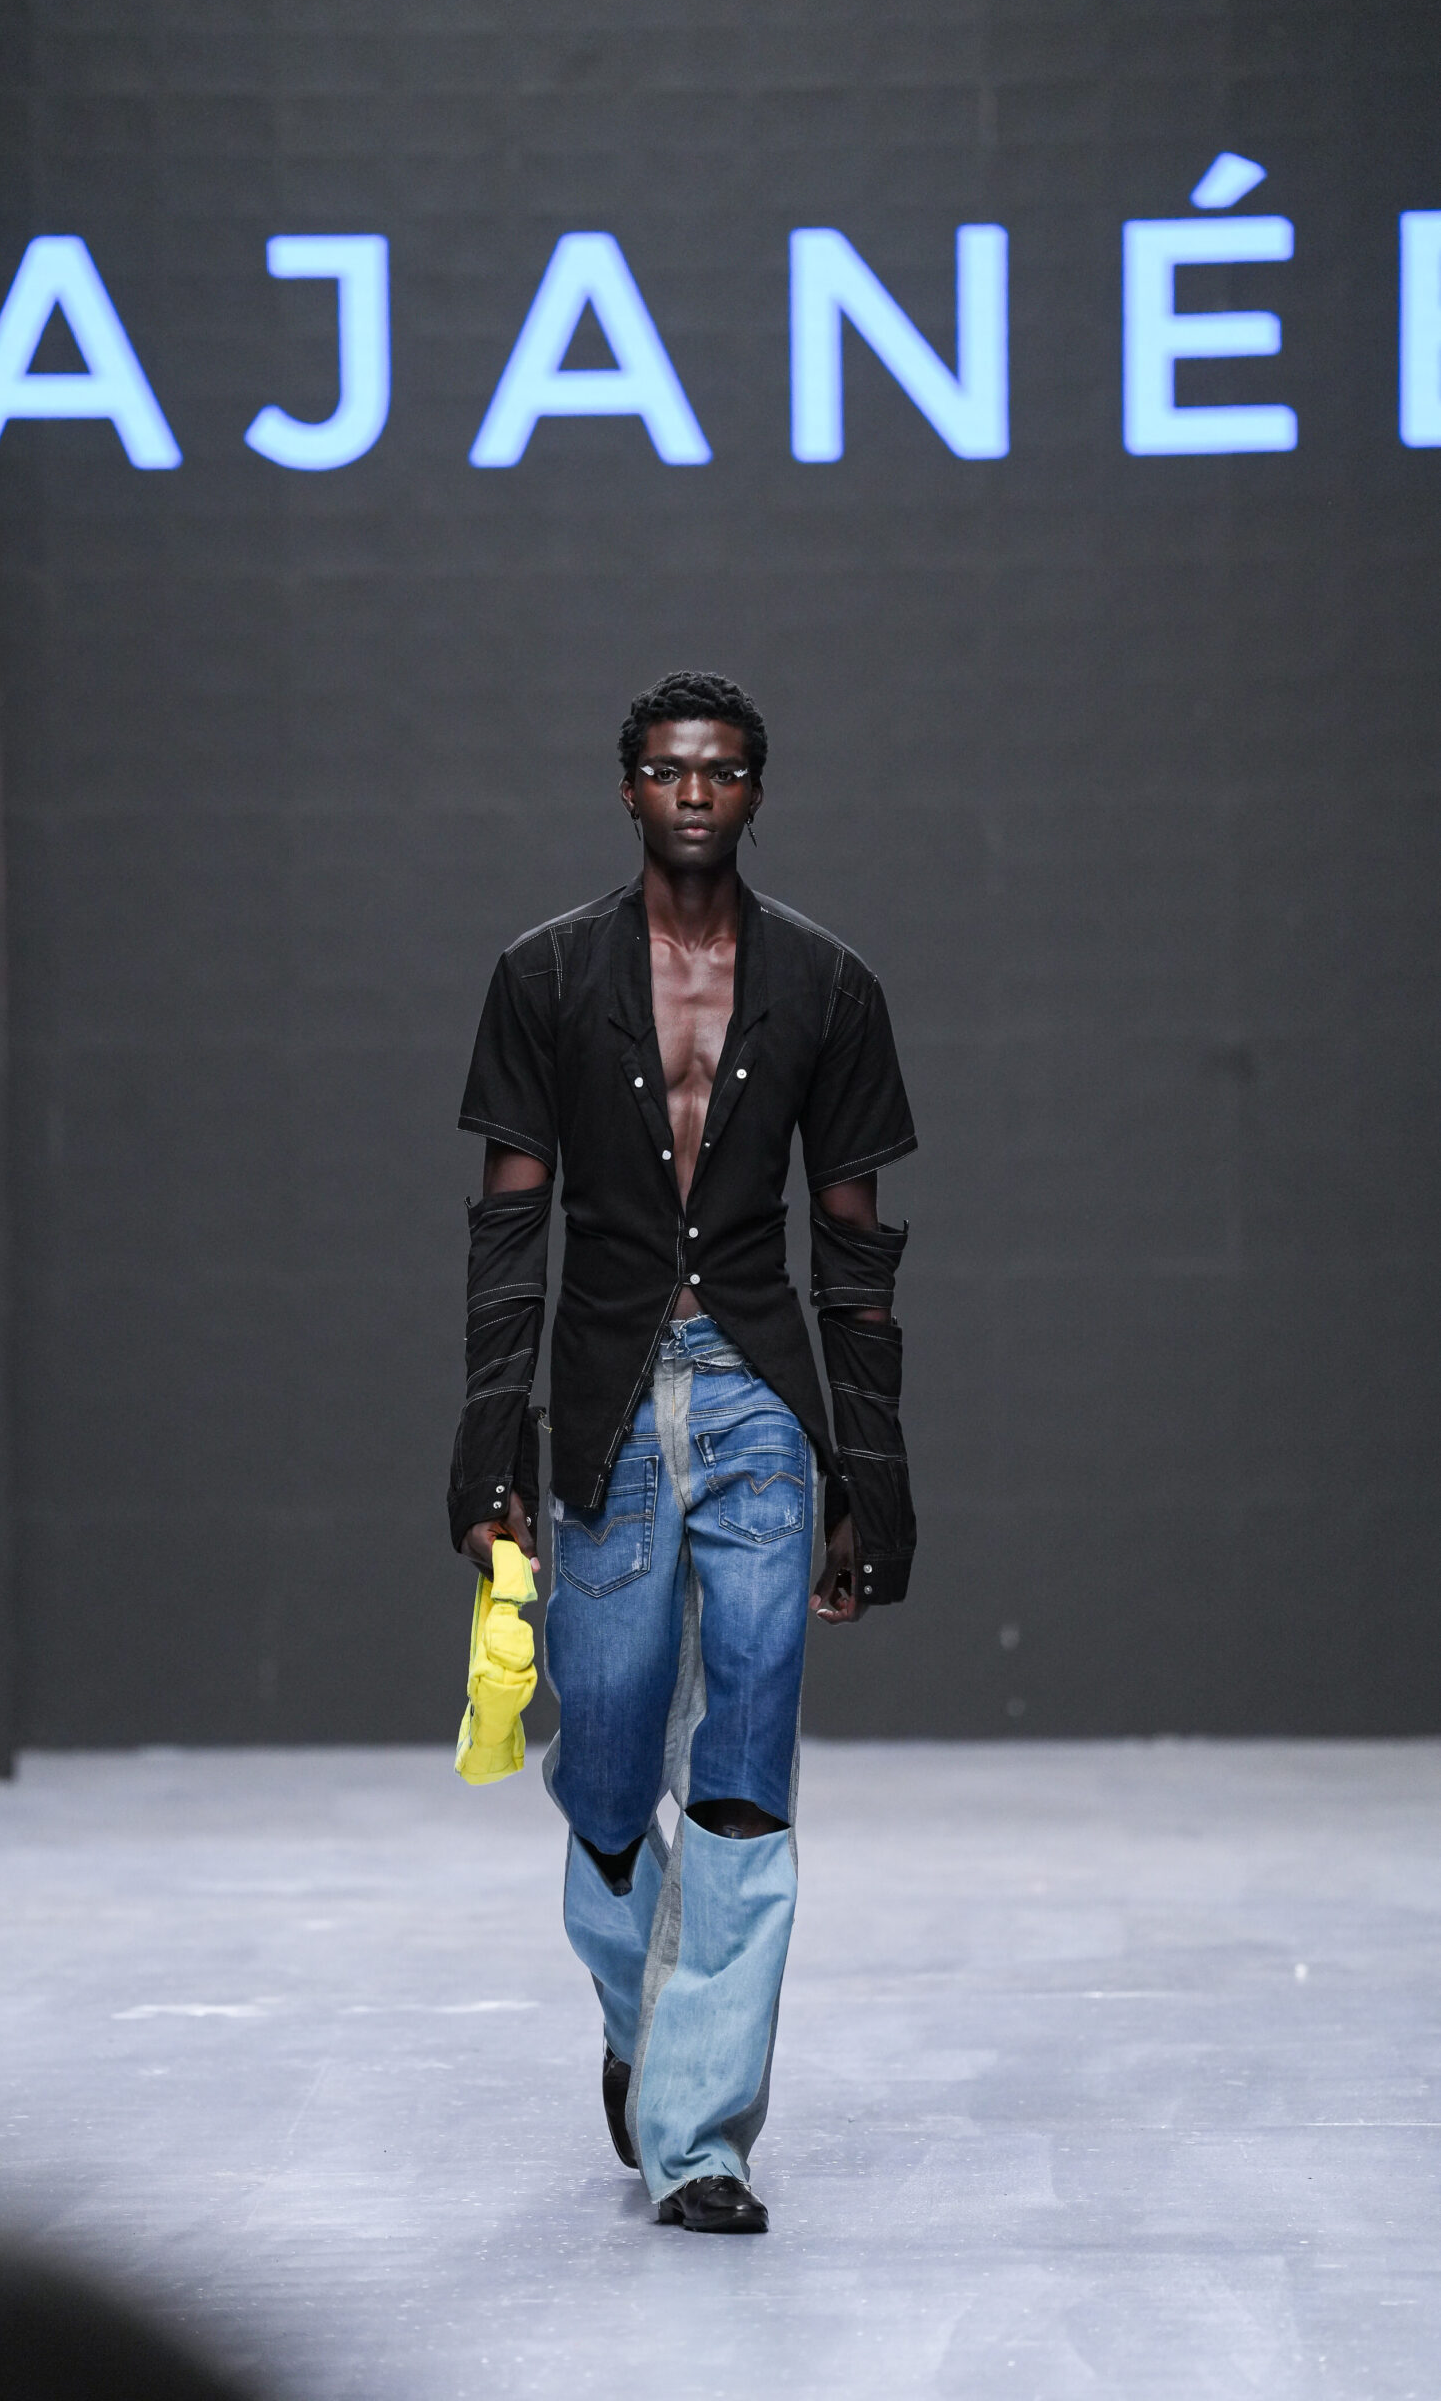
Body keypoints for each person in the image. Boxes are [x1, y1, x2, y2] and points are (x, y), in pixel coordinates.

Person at [448, 670, 918, 2234]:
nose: (694, 793)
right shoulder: (544, 975)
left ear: (755, 791)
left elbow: (854, 1254)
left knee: (743, 1768)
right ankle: (649, 2020)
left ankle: (700, 2137)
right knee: (603, 1766)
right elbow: (507, 1237)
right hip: (601, 1402)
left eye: (720, 770)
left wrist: (869, 1476)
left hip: (757, 1400)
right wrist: (489, 1456)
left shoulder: (829, 986)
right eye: (666, 770)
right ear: (628, 789)